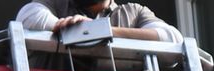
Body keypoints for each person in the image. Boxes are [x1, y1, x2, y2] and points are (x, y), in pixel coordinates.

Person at [16, 0, 181, 49]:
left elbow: (172, 39)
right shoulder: (56, 4)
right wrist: (62, 25)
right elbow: (26, 15)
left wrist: (98, 30)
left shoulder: (134, 12)